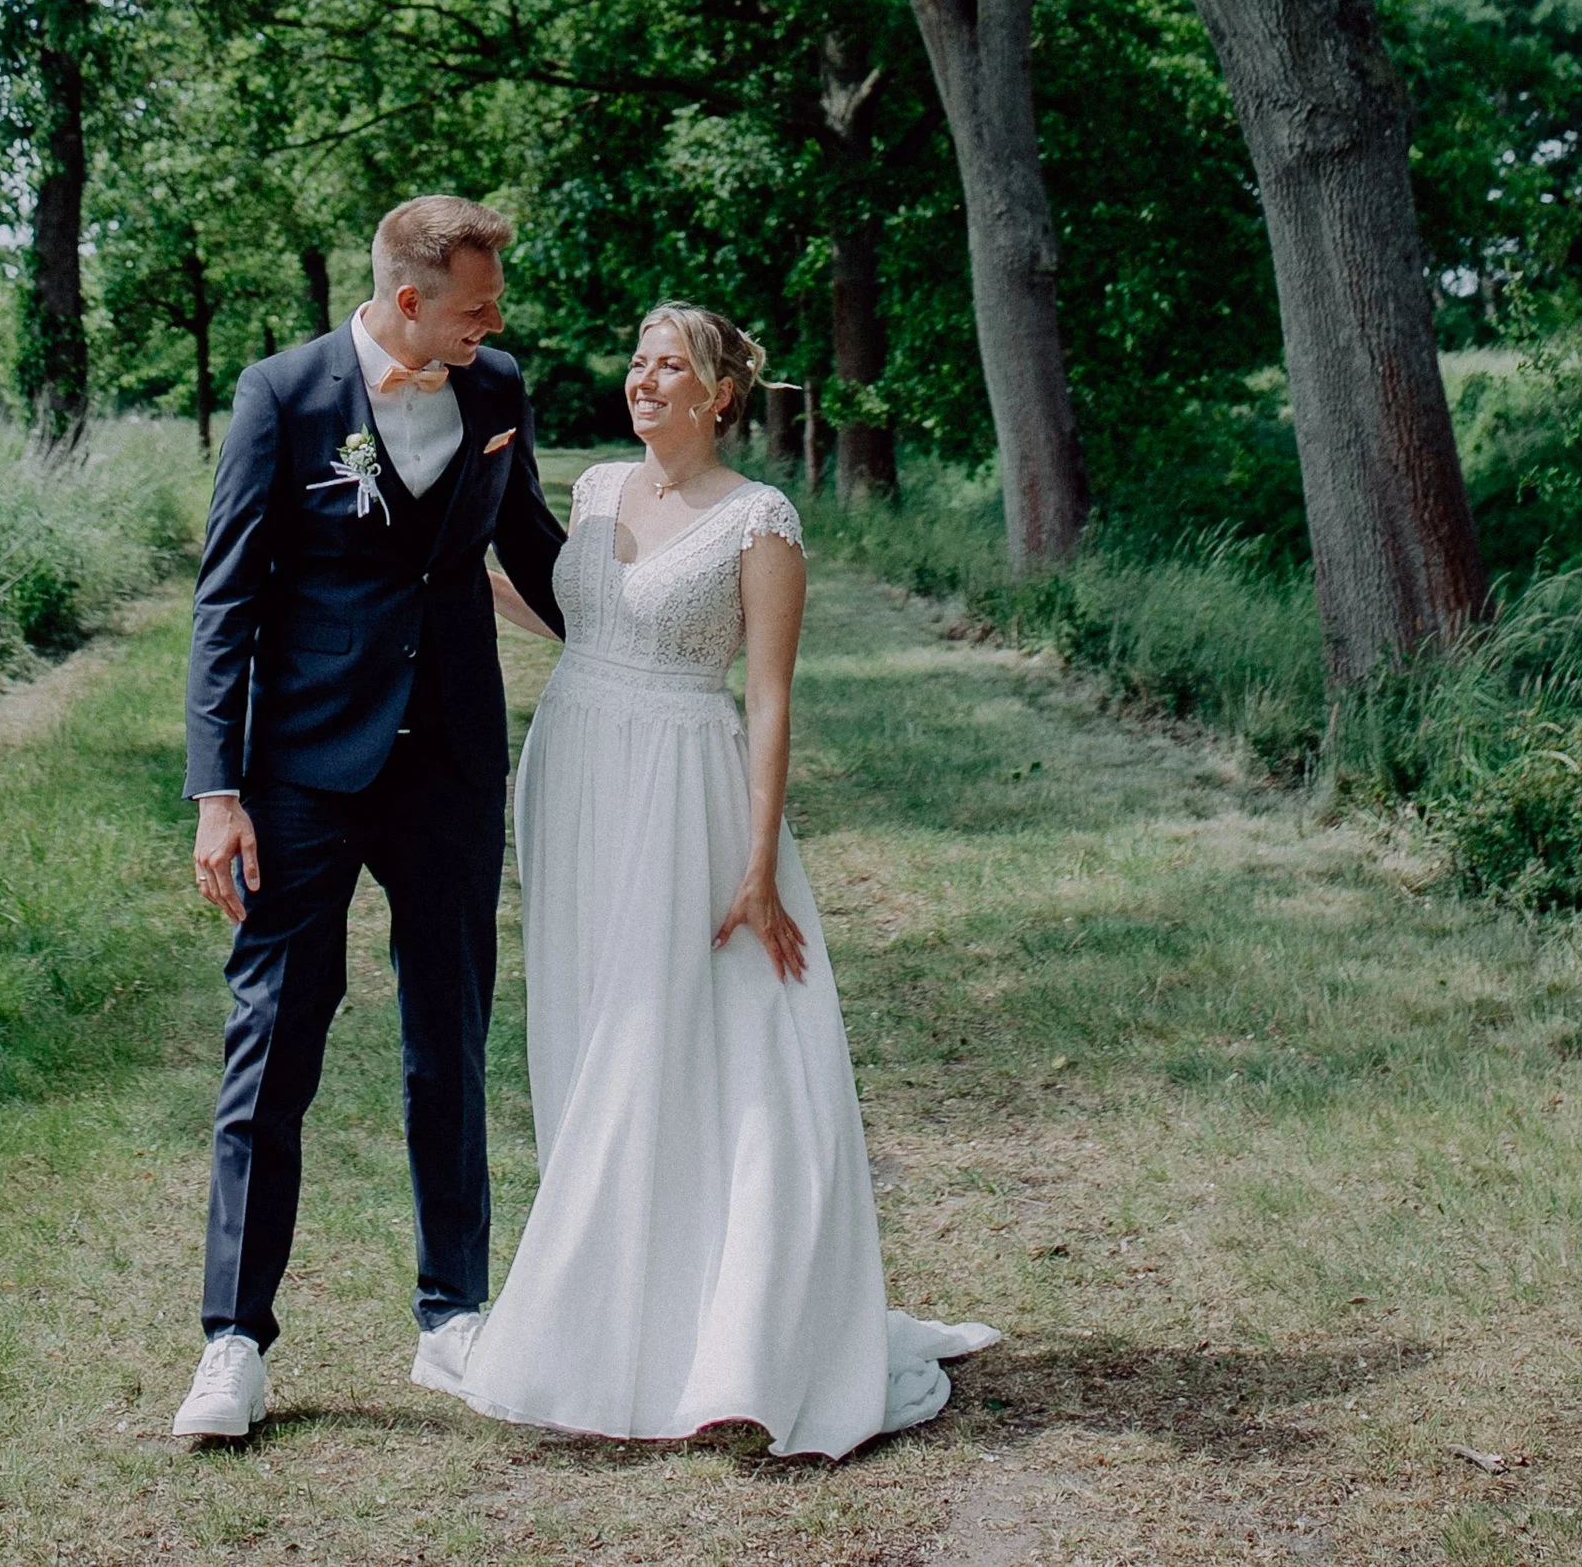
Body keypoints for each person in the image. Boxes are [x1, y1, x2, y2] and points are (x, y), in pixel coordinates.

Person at [447, 299, 996, 1458]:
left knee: (676, 1033)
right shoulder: (594, 489)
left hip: (684, 792)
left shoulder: (761, 521)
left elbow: (769, 696)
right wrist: (442, 570)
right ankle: (614, 1292)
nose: (642, 381)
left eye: (667, 367)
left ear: (718, 394)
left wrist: (757, 866)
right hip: (575, 769)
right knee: (592, 1029)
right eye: (636, 361)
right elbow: (577, 622)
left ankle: (722, 1324)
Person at [170, 194, 566, 1449]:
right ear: (408, 300)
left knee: (447, 1034)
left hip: (450, 758)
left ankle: (453, 1313)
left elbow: (536, 548)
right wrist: (217, 793)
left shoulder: (495, 387)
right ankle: (233, 1341)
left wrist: (653, 641)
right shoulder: (282, 397)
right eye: (475, 302)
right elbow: (225, 600)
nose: (494, 322)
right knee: (272, 1040)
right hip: (301, 767)